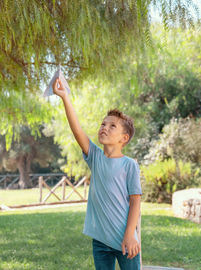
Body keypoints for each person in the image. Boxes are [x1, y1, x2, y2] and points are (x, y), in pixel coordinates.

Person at [53, 78, 142, 270]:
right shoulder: (95, 157)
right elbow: (77, 130)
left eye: (112, 126)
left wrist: (130, 234)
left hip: (125, 240)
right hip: (100, 241)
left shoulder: (129, 165)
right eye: (103, 124)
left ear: (124, 138)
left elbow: (135, 201)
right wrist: (64, 97)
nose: (104, 128)